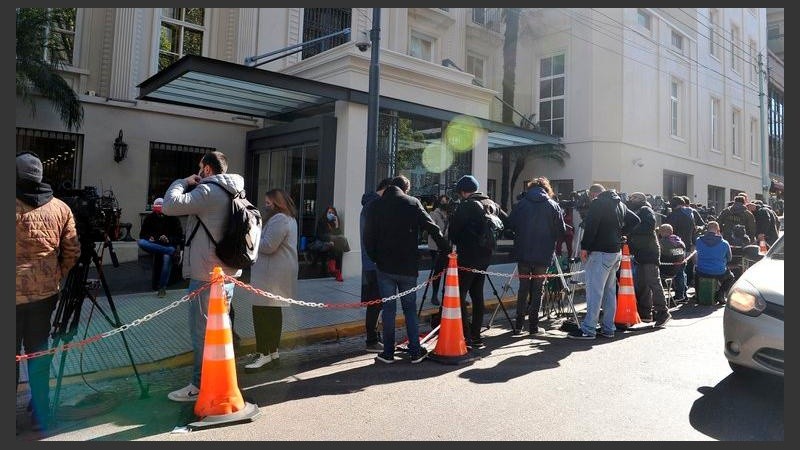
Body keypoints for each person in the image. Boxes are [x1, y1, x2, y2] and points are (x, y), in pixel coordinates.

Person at [162, 151, 243, 402]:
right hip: (226, 270)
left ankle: (198, 384)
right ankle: (219, 379)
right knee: (220, 330)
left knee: (202, 332)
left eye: (200, 168)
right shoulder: (235, 190)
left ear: (207, 169)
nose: (198, 172)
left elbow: (169, 205)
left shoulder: (208, 191)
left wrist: (183, 182)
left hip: (206, 273)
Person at [16, 152, 81, 432]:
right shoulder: (60, 208)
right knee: (38, 355)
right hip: (44, 297)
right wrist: (55, 276)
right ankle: (40, 415)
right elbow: (72, 251)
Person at [364, 175, 450, 364]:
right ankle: (414, 351)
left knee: (388, 310)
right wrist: (446, 248)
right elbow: (432, 227)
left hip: (384, 266)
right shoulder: (412, 203)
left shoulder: (375, 206)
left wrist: (375, 257)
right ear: (406, 188)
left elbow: (367, 236)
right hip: (407, 266)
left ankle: (388, 353)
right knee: (409, 309)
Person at [568, 184, 640, 340]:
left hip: (600, 252)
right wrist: (620, 233)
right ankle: (608, 328)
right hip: (615, 252)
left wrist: (584, 247)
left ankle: (589, 329)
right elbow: (635, 220)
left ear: (593, 194)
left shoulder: (598, 203)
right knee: (609, 292)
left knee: (595, 292)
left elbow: (591, 227)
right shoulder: (619, 203)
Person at [449, 175, 508, 348]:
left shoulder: (466, 205)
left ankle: (464, 334)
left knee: (459, 295)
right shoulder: (491, 204)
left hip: (467, 256)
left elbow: (453, 233)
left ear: (462, 192)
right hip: (485, 257)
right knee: (477, 295)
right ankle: (476, 336)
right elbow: (508, 223)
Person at [245, 189, 298, 371]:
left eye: (268, 202)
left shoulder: (279, 219)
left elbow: (268, 246)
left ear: (276, 203)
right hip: (275, 273)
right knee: (273, 314)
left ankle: (264, 353)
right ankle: (273, 351)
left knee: (261, 313)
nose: (266, 205)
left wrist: (250, 236)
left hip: (270, 274)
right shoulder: (288, 218)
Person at [507, 177, 566, 336]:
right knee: (538, 289)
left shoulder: (522, 204)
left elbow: (509, 224)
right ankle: (533, 327)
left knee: (523, 288)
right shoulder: (553, 205)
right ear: (546, 189)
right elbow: (561, 231)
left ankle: (518, 326)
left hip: (523, 252)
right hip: (543, 253)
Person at [626, 192, 670, 325]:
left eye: (632, 198)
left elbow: (649, 225)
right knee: (641, 283)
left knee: (653, 282)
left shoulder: (646, 210)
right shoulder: (636, 210)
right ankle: (645, 313)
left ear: (640, 199)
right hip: (640, 253)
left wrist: (630, 230)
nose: (630, 200)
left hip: (649, 252)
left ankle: (663, 312)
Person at [360, 178, 392, 353]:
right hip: (374, 262)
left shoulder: (370, 204)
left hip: (370, 261)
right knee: (375, 302)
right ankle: (371, 340)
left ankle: (374, 337)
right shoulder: (374, 205)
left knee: (376, 302)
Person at [138, 197, 184, 297]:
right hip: (155, 244)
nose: (159, 214)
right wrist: (149, 237)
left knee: (166, 259)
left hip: (168, 244)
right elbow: (142, 235)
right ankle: (170, 251)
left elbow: (179, 237)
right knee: (141, 242)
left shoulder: (173, 218)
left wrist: (168, 239)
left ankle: (162, 287)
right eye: (157, 211)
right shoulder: (150, 218)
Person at [694, 221, 735, 305]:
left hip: (702, 271)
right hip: (719, 272)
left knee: (696, 274)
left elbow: (696, 255)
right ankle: (721, 294)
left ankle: (698, 296)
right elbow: (729, 258)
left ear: (707, 229)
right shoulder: (724, 243)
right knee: (731, 277)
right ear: (718, 230)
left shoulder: (698, 240)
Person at [665, 196, 697, 289]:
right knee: (683, 269)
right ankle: (684, 289)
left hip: (675, 246)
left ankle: (680, 292)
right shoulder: (690, 214)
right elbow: (694, 230)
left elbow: (669, 230)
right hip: (687, 244)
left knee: (677, 270)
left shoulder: (673, 215)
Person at [427, 194, 451, 306]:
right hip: (436, 247)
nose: (445, 204)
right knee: (438, 272)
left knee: (448, 272)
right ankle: (434, 295)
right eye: (443, 202)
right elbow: (432, 230)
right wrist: (444, 234)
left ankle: (445, 293)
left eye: (446, 201)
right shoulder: (434, 214)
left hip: (448, 247)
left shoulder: (450, 214)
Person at [314, 205, 345, 282]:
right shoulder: (322, 221)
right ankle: (335, 270)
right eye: (329, 212)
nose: (331, 214)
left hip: (332, 243)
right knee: (333, 246)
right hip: (322, 242)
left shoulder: (334, 222)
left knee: (339, 247)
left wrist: (337, 225)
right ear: (326, 213)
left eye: (332, 213)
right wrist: (329, 240)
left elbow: (338, 234)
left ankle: (335, 270)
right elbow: (319, 235)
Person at [658, 223, 687, 302]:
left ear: (662, 232)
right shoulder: (680, 242)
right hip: (679, 268)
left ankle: (657, 298)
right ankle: (682, 294)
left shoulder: (662, 243)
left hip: (666, 271)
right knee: (682, 273)